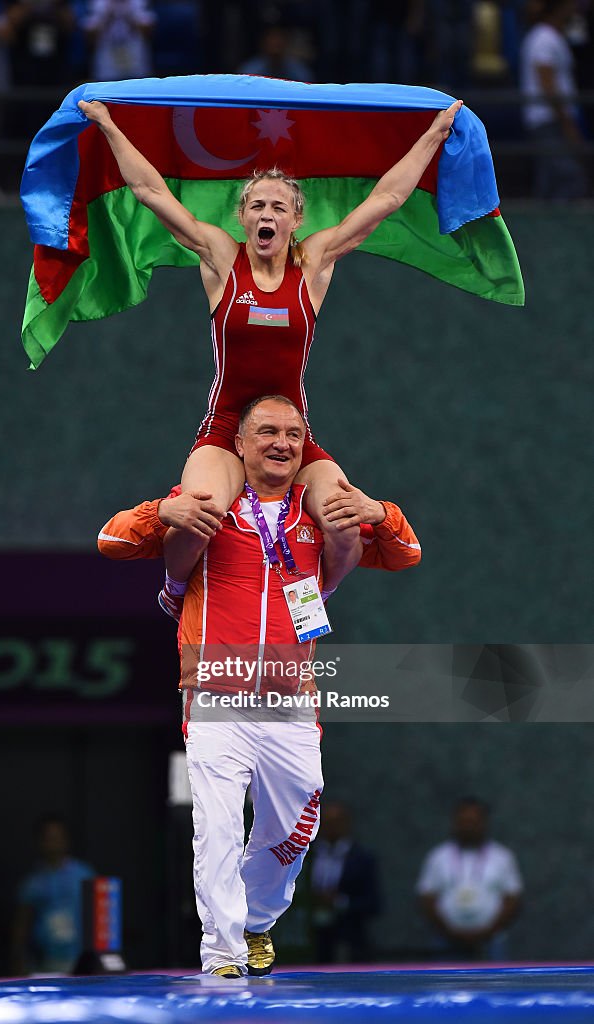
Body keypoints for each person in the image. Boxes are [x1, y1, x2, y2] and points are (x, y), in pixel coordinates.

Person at [78, 95, 460, 617]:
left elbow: (387, 198)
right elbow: (149, 191)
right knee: (198, 513)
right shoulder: (218, 256)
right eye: (257, 205)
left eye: (278, 206)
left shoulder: (316, 264)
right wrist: (107, 124)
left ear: (295, 219)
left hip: (290, 433)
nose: (267, 214)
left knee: (343, 518)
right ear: (241, 216)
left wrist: (435, 135)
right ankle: (172, 587)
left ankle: (315, 595)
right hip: (225, 426)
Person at [98, 394, 421, 976]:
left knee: (300, 821)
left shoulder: (319, 515)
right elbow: (111, 541)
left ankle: (256, 921)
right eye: (267, 432)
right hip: (215, 691)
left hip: (289, 700)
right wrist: (158, 515)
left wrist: (379, 511)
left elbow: (406, 554)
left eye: (294, 435)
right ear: (239, 444)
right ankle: (221, 953)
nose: (282, 444)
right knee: (217, 824)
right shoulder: (207, 506)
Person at [416, 796, 523, 961]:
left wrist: (488, 931)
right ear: (455, 823)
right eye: (464, 821)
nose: (468, 826)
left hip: (491, 940)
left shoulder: (502, 857)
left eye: (473, 821)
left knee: (495, 985)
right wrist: (449, 931)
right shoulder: (438, 856)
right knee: (445, 985)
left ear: (484, 823)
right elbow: (427, 898)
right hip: (446, 940)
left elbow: (512, 898)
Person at [520, 0, 588, 200]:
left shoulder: (552, 36)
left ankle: (540, 230)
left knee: (548, 181)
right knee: (569, 177)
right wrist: (566, 122)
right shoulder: (544, 38)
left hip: (554, 119)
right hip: (548, 120)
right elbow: (547, 85)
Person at [11, 816, 95, 975]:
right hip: (46, 962)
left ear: (67, 840)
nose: (54, 843)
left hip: (81, 961)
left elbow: (99, 918)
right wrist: (18, 960)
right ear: (39, 842)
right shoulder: (33, 882)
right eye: (48, 838)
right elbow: (22, 925)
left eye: (58, 837)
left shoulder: (84, 874)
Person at [310, 801, 382, 963]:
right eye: (327, 822)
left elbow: (373, 903)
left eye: (337, 822)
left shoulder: (362, 859)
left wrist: (339, 902)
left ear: (347, 824)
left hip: (349, 937)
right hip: (311, 937)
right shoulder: (306, 855)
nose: (332, 827)